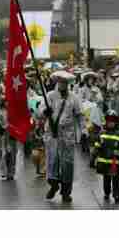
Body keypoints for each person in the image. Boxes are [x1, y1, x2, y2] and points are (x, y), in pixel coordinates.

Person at [39, 71, 86, 203]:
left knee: (67, 163)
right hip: (52, 134)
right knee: (52, 161)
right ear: (57, 82)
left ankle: (66, 192)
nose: (62, 84)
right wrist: (44, 112)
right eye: (60, 81)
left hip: (67, 135)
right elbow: (40, 111)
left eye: (64, 82)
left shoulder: (74, 98)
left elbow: (80, 115)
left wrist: (83, 131)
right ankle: (53, 186)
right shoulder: (50, 96)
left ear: (68, 83)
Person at [92, 110, 119, 203]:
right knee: (106, 180)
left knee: (116, 179)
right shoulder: (102, 134)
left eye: (113, 121)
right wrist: (92, 158)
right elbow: (96, 147)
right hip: (104, 163)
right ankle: (107, 192)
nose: (111, 123)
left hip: (115, 164)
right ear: (106, 121)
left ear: (116, 122)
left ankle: (116, 195)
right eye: (109, 121)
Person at [0, 96, 18, 180]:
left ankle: (11, 172)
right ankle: (3, 171)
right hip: (1, 136)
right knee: (2, 153)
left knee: (12, 154)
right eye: (4, 101)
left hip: (11, 136)